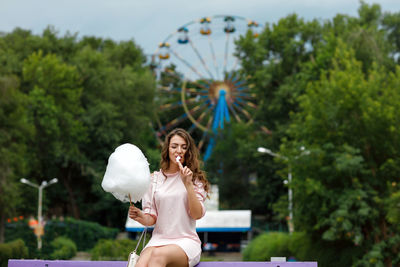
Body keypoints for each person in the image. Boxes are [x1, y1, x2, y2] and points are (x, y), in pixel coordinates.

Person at [129, 128, 210, 267]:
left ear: (188, 152)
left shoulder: (195, 179)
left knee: (158, 256)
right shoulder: (154, 180)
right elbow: (151, 219)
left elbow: (196, 214)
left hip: (185, 241)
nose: (179, 150)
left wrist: (188, 184)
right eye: (174, 146)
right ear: (167, 149)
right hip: (158, 240)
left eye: (184, 147)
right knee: (141, 263)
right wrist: (140, 215)